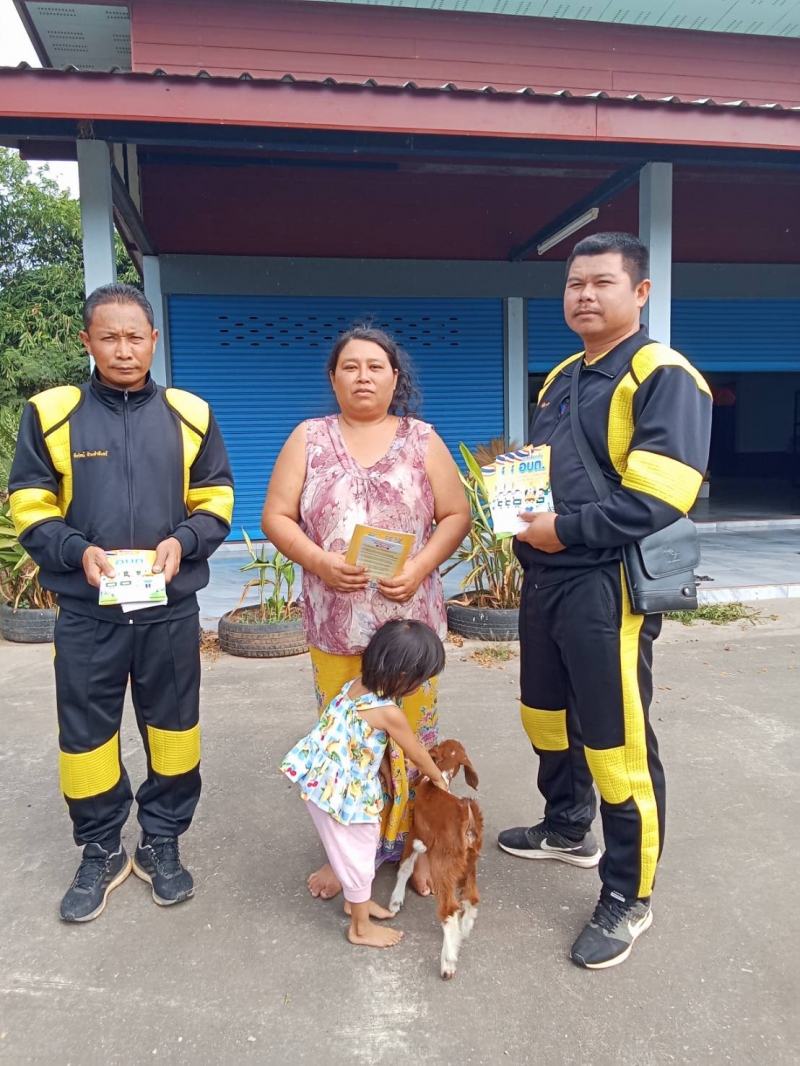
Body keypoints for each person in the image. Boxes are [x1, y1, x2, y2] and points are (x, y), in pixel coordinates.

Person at [498, 233, 712, 969]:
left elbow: (661, 495)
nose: (584, 295)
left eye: (602, 282)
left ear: (641, 292)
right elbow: (536, 471)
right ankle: (566, 826)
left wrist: (562, 531)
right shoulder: (562, 375)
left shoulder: (662, 374)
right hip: (547, 577)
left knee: (617, 745)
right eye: (574, 284)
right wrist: (521, 524)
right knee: (545, 716)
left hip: (607, 585)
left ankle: (629, 894)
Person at [9, 283, 234, 922]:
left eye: (135, 336)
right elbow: (28, 501)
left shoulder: (190, 413)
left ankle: (162, 839)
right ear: (87, 341)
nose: (124, 349)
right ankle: (101, 847)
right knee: (86, 736)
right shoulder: (51, 413)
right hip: (88, 613)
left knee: (174, 729)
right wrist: (74, 549)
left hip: (169, 611)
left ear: (154, 340)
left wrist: (183, 541)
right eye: (109, 337)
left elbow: (216, 497)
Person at [262, 326, 470, 899]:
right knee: (345, 746)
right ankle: (348, 854)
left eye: (375, 367)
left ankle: (417, 846)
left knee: (416, 740)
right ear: (333, 378)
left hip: (410, 628)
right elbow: (276, 516)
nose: (363, 376)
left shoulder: (422, 439)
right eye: (350, 367)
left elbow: (456, 514)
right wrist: (319, 562)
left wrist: (420, 567)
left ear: (394, 378)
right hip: (336, 621)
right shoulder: (309, 438)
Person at [280, 620, 449, 948]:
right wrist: (438, 778)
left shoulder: (355, 686)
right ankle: (359, 928)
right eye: (421, 680)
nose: (421, 686)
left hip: (321, 782)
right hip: (344, 796)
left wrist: (381, 765)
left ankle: (355, 901)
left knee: (358, 849)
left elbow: (359, 735)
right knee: (358, 858)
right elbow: (416, 752)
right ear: (404, 677)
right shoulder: (389, 712)